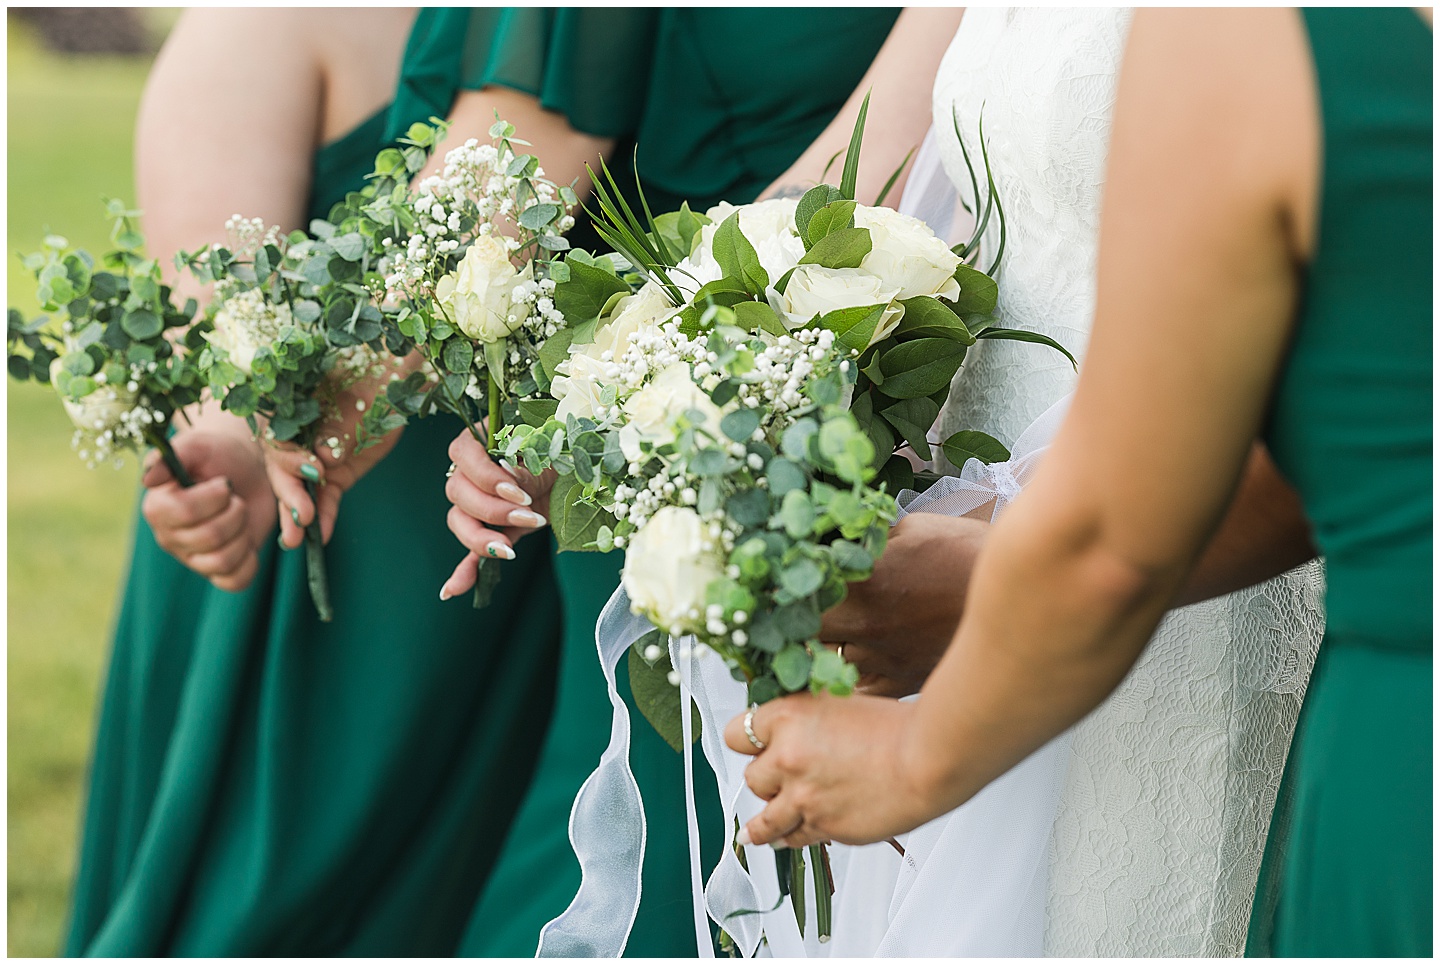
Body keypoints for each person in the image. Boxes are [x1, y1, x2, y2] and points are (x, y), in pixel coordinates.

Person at [729, 6, 1430, 958]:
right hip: (994, 521)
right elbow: (853, 165)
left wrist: (913, 752)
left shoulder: (1249, 32)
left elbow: (1123, 538)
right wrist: (634, 359)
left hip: (1197, 587)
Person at [259, 7, 919, 956]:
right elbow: (522, 133)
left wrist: (607, 378)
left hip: (825, 376)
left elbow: (528, 133)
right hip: (665, 411)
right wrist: (588, 395)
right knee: (643, 829)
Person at [64, 9, 604, 954]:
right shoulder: (264, 27)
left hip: (517, 575)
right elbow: (217, 328)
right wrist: (228, 443)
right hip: (317, 589)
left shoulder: (575, 32)